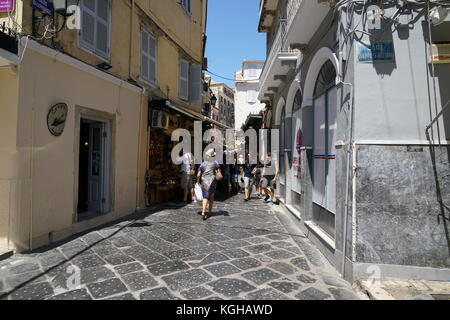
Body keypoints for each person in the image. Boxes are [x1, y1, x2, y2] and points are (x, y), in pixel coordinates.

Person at [197, 149, 221, 220]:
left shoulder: (203, 164)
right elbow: (218, 172)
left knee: (205, 197)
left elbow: (198, 175)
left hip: (204, 181)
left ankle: (203, 212)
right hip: (212, 181)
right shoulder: (215, 162)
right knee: (211, 197)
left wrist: (198, 182)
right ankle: (210, 212)